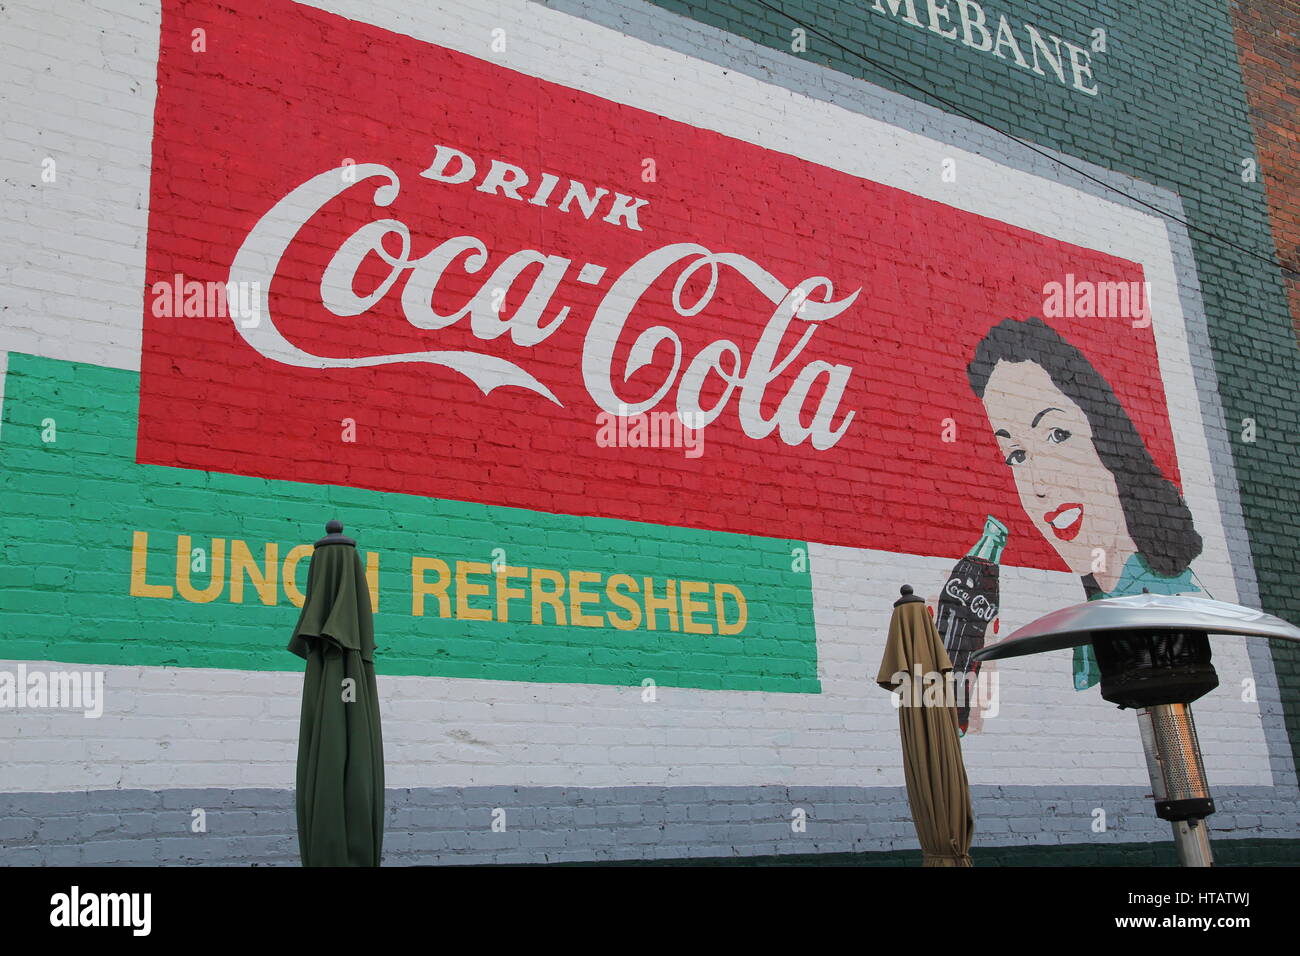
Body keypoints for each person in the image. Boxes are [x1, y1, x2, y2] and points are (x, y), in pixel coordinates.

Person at [966, 316, 1202, 690]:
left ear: (1108, 433)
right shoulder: (1092, 622)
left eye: (1057, 435)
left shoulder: (1175, 605)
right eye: (1016, 455)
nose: (1039, 484)